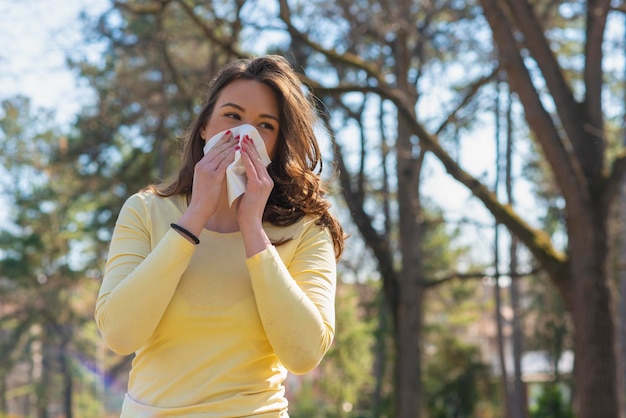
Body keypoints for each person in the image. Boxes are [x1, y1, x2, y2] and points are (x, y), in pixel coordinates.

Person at [94, 55, 345, 417]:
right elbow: (119, 334)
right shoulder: (146, 210)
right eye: (232, 116)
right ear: (204, 128)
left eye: (265, 125)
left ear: (278, 144)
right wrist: (194, 217)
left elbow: (304, 354)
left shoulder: (307, 228)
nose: (245, 135)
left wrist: (253, 231)